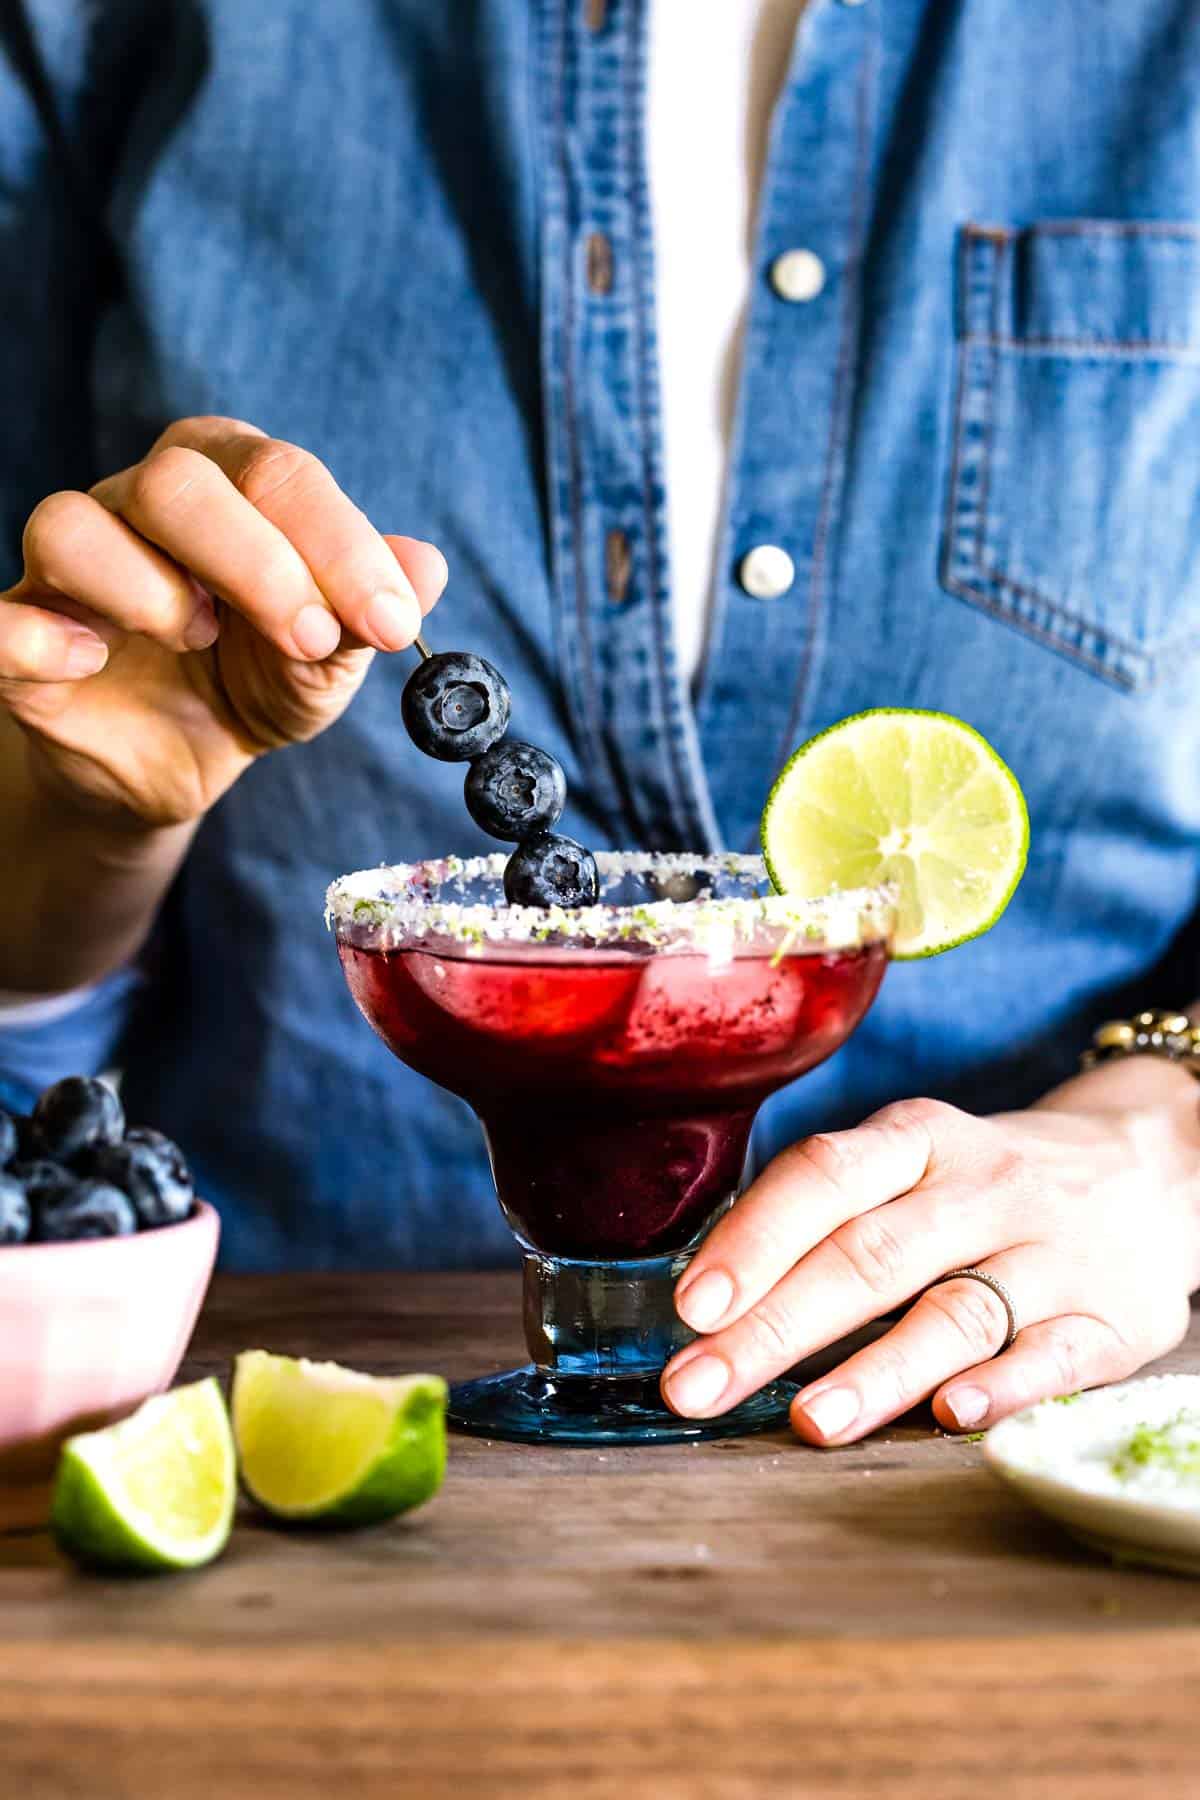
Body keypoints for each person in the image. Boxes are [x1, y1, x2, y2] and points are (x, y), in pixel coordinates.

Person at [2, 0, 1198, 1446]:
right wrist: (82, 816)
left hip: (1031, 1445)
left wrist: (1169, 1132)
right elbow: (29, 1055)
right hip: (297, 1433)